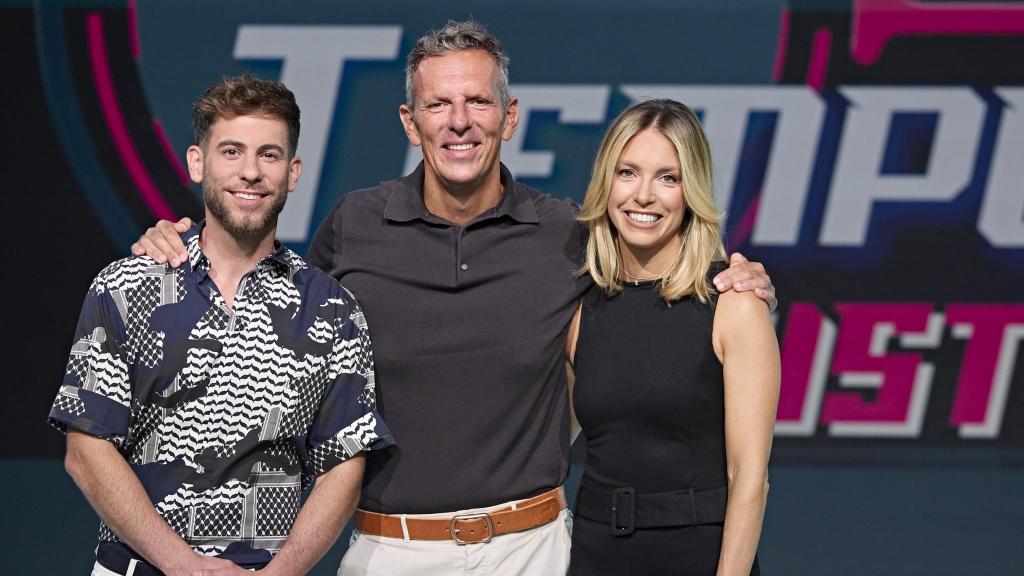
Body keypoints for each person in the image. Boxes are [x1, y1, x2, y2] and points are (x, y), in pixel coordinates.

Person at [131, 21, 776, 576]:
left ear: (510, 115)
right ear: (410, 123)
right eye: (438, 105)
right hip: (389, 551)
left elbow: (656, 271)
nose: (459, 122)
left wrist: (747, 280)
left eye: (477, 101)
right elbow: (259, 289)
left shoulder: (566, 236)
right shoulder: (355, 224)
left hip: (531, 551)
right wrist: (174, 245)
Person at [49, 74, 393, 576]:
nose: (250, 172)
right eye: (231, 151)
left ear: (293, 172)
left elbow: (344, 462)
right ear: (197, 162)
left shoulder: (333, 309)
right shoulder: (125, 287)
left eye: (269, 155)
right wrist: (184, 566)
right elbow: (85, 448)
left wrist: (279, 574)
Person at [566, 99, 780, 575]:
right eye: (628, 172)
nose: (644, 195)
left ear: (692, 191)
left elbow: (749, 479)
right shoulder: (583, 306)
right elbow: (547, 447)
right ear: (606, 182)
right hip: (593, 553)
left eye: (668, 177)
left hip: (695, 557)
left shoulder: (734, 305)